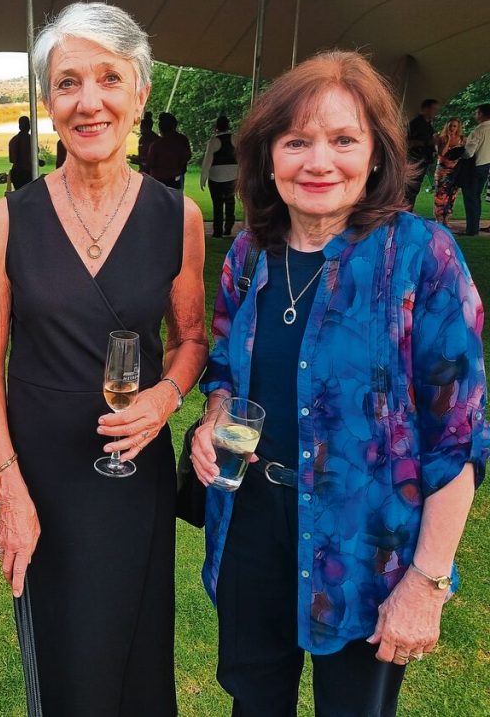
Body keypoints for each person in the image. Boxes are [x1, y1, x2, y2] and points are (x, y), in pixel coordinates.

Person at [190, 51, 486, 716]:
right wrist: (213, 415)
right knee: (253, 702)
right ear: (269, 157)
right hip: (254, 529)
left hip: (368, 548)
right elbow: (227, 367)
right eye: (297, 141)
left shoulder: (421, 258)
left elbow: (457, 441)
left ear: (377, 154)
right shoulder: (248, 254)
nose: (319, 162)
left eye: (343, 140)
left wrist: (426, 583)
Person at [0, 2, 208, 715]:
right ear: (48, 102)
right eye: (69, 82)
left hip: (135, 477)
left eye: (110, 78)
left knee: (137, 656)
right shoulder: (10, 220)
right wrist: (8, 490)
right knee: (66, 665)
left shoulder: (178, 217)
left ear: (140, 94)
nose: (89, 100)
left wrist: (165, 397)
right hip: (42, 482)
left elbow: (192, 337)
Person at [200, 115, 238, 237]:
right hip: (233, 175)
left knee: (217, 204)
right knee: (230, 202)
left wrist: (203, 177)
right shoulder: (236, 139)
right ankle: (228, 227)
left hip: (216, 176)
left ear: (217, 126)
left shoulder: (213, 141)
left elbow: (207, 160)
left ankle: (217, 231)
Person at [460, 103, 490, 235]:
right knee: (476, 197)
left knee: (470, 198)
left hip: (475, 167)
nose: (475, 115)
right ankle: (474, 227)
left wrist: (461, 147)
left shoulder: (478, 130)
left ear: (482, 114)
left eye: (477, 112)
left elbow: (469, 153)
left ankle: (471, 230)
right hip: (487, 165)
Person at [405, 98, 440, 208]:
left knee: (414, 190)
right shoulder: (415, 124)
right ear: (425, 109)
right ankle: (403, 214)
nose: (435, 112)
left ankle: (408, 212)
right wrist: (427, 142)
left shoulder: (429, 126)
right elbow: (406, 142)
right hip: (414, 160)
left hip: (423, 161)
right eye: (433, 109)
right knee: (408, 190)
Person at [145, 111, 191, 189]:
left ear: (161, 128)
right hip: (176, 177)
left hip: (159, 179)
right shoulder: (182, 139)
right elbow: (187, 156)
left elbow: (150, 163)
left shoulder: (156, 145)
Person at [433, 117, 465, 227]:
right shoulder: (441, 138)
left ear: (458, 128)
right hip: (442, 171)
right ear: (447, 126)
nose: (452, 128)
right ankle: (438, 219)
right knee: (440, 195)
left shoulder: (462, 139)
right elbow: (441, 153)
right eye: (450, 125)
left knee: (452, 195)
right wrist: (448, 139)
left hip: (455, 172)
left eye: (454, 126)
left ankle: (447, 219)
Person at [8, 114, 34, 189]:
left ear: (19, 126)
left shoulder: (13, 140)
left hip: (16, 173)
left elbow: (12, 159)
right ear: (29, 126)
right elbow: (30, 158)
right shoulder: (31, 140)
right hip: (27, 173)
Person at [135, 109, 158, 173]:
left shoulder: (155, 139)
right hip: (143, 169)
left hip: (152, 171)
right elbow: (140, 153)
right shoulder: (142, 139)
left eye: (142, 127)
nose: (140, 129)